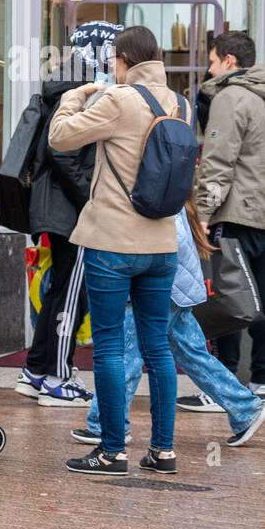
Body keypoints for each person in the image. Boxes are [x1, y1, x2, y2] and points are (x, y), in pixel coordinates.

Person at [48, 25, 186, 476]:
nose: (110, 66)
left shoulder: (119, 99)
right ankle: (163, 451)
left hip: (112, 241)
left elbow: (61, 138)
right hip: (163, 242)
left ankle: (112, 451)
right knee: (158, 349)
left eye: (112, 59)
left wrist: (76, 94)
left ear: (125, 58)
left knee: (108, 346)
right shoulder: (181, 103)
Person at [71, 201, 265, 455]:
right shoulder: (169, 187)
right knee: (190, 352)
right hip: (174, 283)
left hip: (161, 284)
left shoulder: (151, 187)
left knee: (127, 351)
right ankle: (245, 409)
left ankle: (103, 423)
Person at [18, 24, 120, 406]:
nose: (114, 57)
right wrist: (89, 197)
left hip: (56, 203)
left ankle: (36, 369)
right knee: (71, 293)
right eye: (110, 48)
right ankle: (57, 378)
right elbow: (63, 151)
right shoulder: (82, 87)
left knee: (62, 289)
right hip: (69, 207)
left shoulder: (66, 82)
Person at [194, 30, 265, 398]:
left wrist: (203, 212)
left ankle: (221, 386)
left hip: (236, 214)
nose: (209, 69)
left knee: (231, 300)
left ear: (229, 62)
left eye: (211, 61)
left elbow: (218, 161)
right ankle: (260, 380)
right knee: (261, 301)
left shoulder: (231, 97)